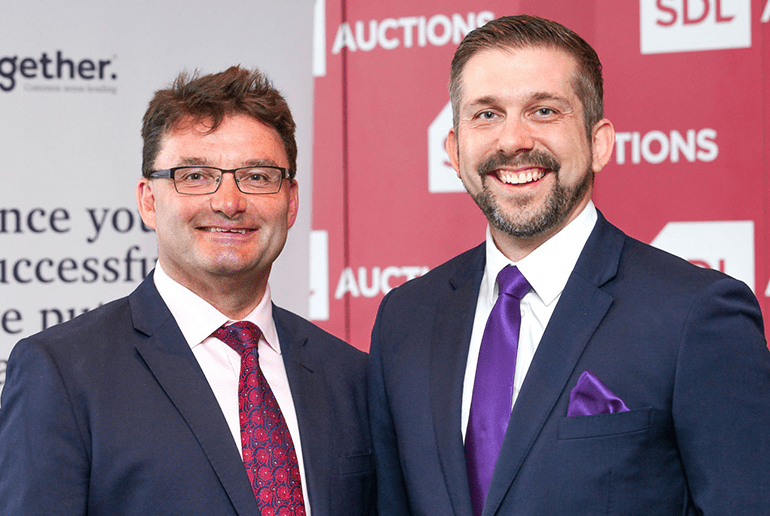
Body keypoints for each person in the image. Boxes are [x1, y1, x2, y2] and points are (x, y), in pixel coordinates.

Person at [369, 15, 770, 516]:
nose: (512, 140)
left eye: (543, 110)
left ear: (599, 142)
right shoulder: (405, 320)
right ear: (453, 149)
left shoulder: (697, 314)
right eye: (486, 115)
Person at [0, 66, 374, 515]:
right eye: (195, 176)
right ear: (148, 200)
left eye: (257, 177)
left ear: (290, 201)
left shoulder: (352, 376)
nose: (229, 202)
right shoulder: (61, 373)